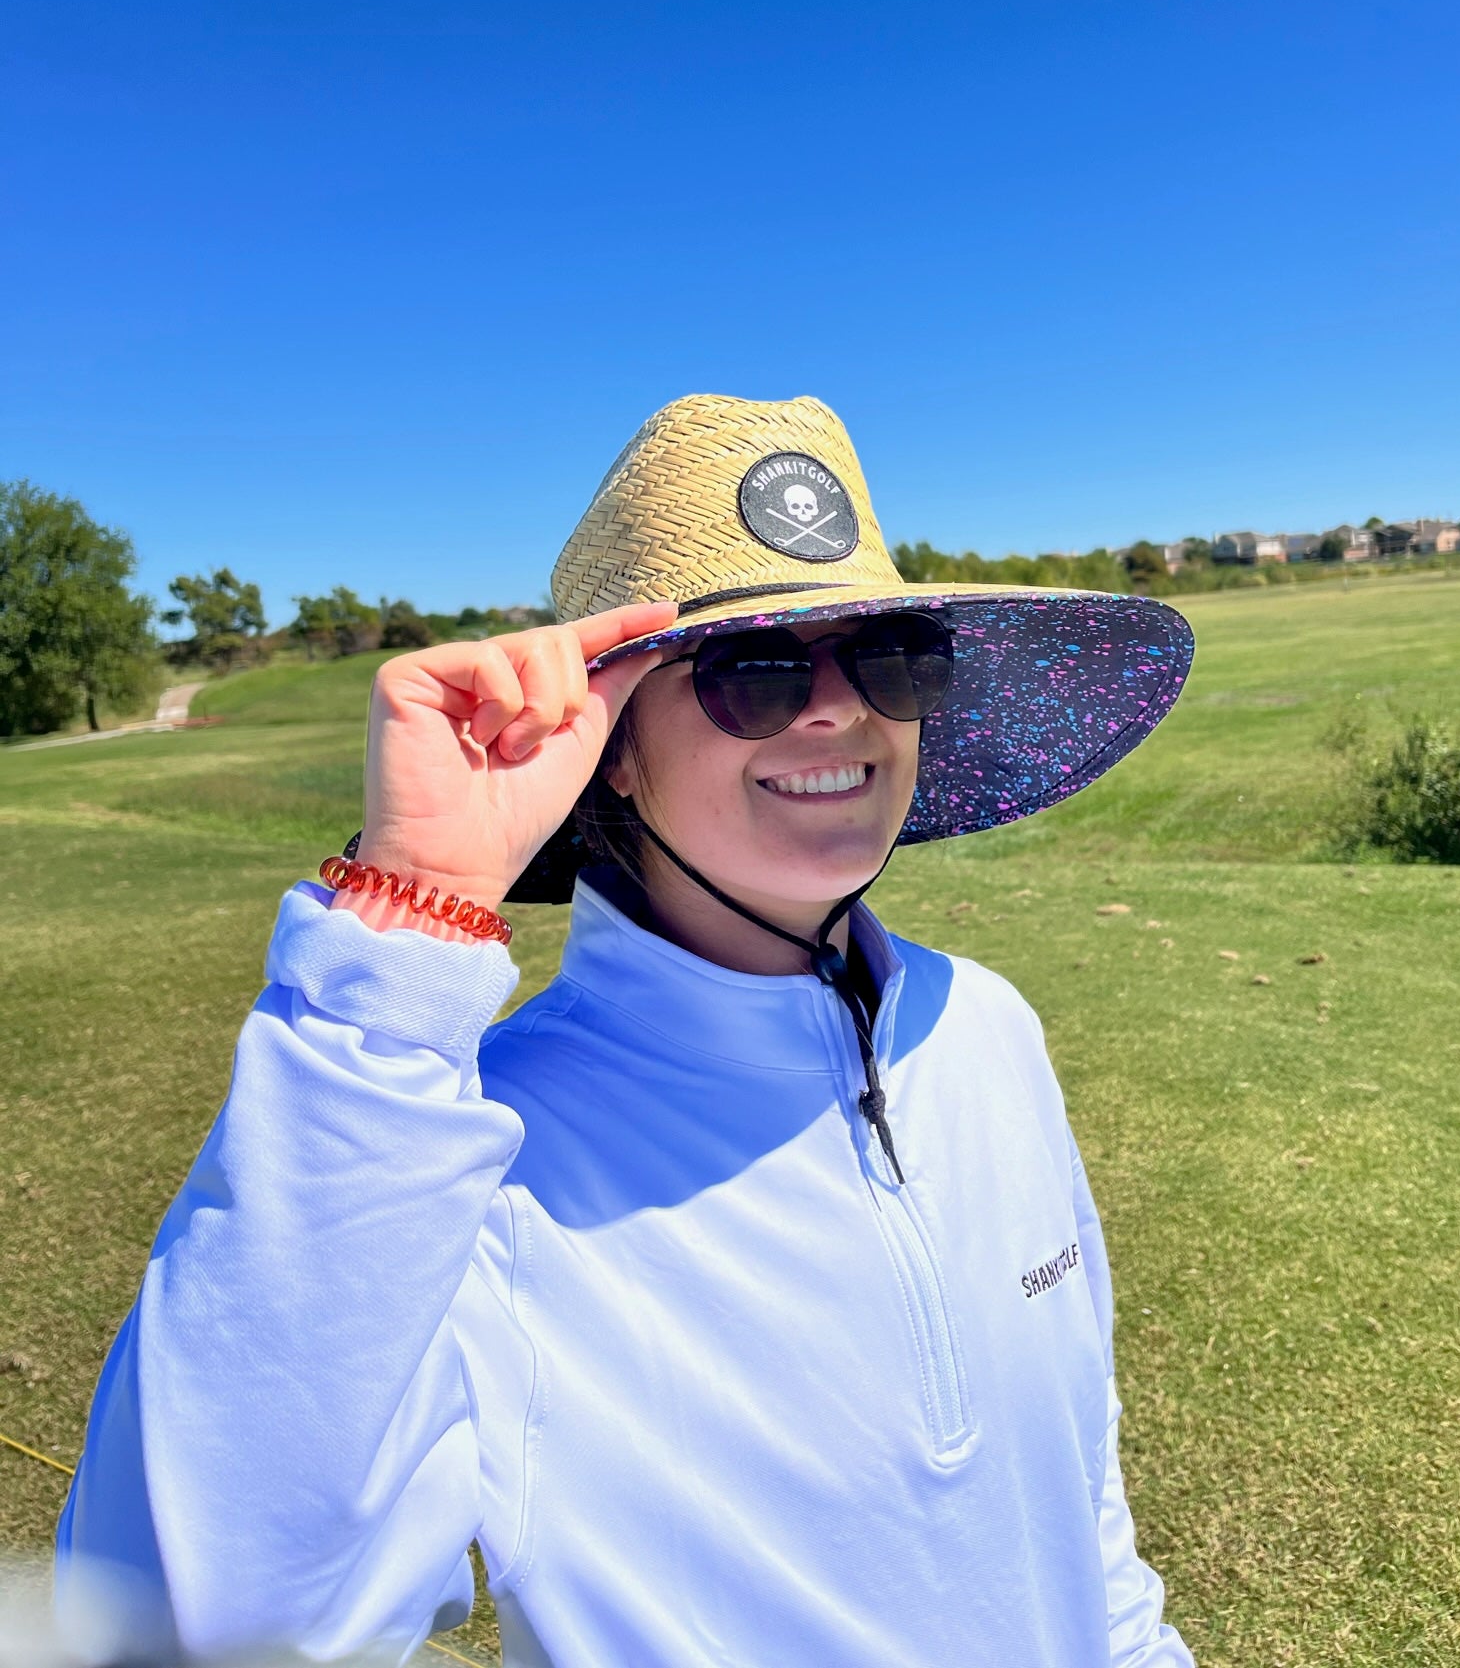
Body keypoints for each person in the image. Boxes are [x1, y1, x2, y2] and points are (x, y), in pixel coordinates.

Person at [56, 393, 1198, 1666]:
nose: (837, 711)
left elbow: (1080, 1503)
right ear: (608, 748)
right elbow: (195, 1625)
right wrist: (402, 940)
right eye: (750, 672)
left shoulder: (985, 1030)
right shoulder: (474, 1162)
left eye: (890, 655)